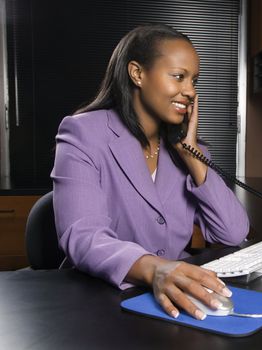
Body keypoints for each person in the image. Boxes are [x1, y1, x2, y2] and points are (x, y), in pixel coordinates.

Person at [51, 24, 249, 321]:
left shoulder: (190, 151)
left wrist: (193, 158)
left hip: (175, 304)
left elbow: (233, 232)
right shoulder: (83, 133)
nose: (190, 91)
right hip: (102, 302)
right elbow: (83, 236)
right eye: (179, 77)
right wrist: (155, 268)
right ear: (137, 74)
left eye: (194, 80)